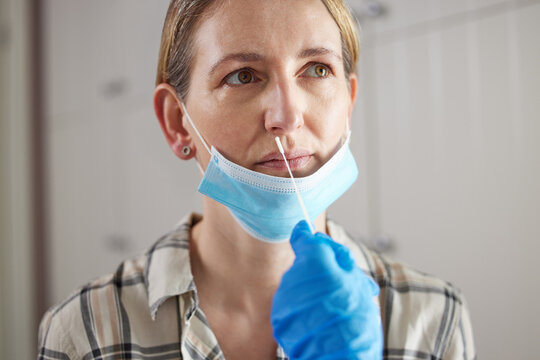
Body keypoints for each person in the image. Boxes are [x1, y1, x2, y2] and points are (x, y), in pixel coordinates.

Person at [37, 0, 476, 359]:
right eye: (242, 76)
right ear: (178, 123)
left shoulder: (432, 321)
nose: (286, 117)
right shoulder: (86, 334)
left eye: (317, 69)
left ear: (349, 101)